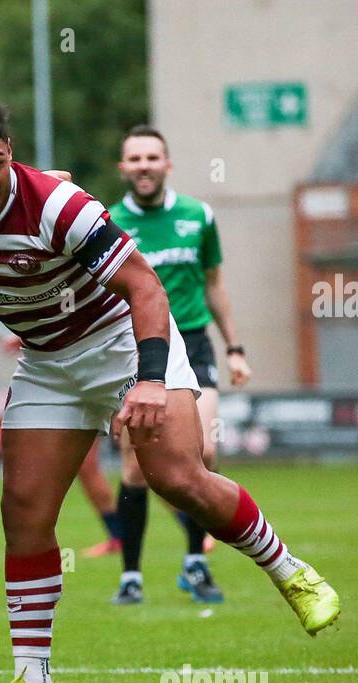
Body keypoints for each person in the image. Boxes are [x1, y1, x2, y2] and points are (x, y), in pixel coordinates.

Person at [0, 89, 340, 683]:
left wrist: (150, 382)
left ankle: (291, 571)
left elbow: (145, 287)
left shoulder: (59, 206)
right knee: (23, 511)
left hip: (124, 345)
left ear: (11, 153)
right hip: (48, 361)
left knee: (179, 480)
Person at [105, 125, 251, 605]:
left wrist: (235, 348)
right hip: (136, 347)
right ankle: (131, 575)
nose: (144, 165)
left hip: (193, 342)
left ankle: (195, 561)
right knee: (134, 464)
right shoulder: (107, 223)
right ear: (123, 168)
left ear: (167, 165)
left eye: (152, 157)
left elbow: (215, 284)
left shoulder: (198, 216)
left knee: (202, 452)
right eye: (135, 158)